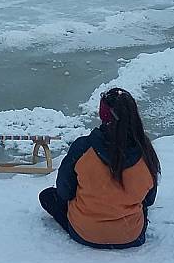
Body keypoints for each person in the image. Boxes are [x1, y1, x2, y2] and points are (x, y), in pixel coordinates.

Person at [39, 87, 160, 249]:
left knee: (47, 196)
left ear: (103, 115)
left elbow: (64, 191)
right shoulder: (146, 152)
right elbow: (149, 200)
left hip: (84, 232)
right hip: (130, 235)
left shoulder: (83, 147)